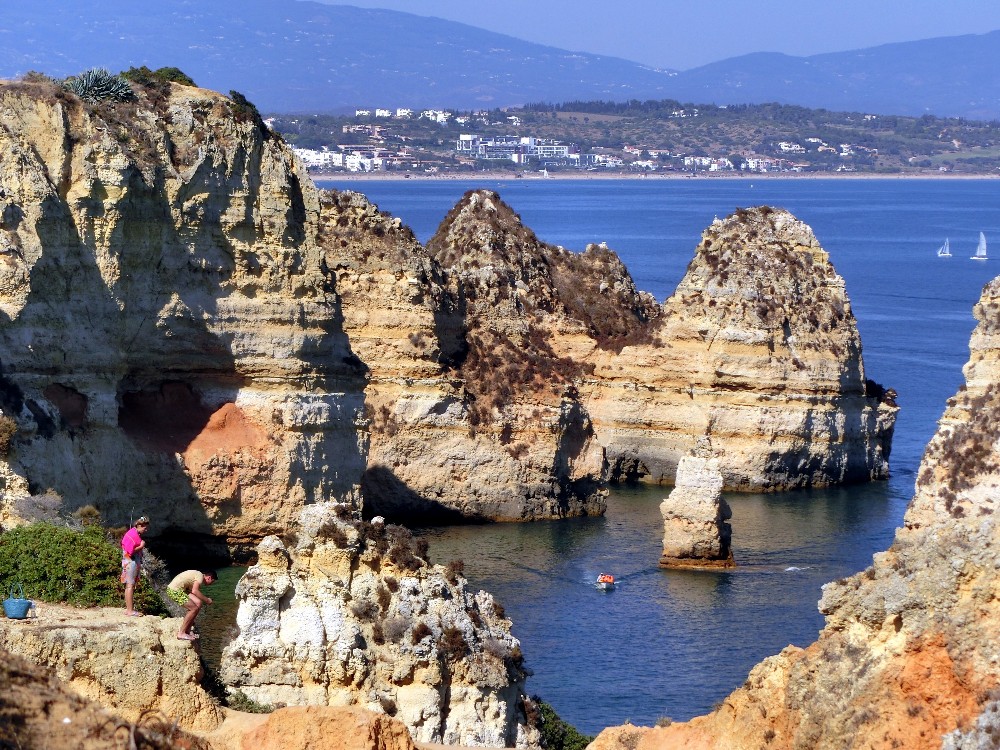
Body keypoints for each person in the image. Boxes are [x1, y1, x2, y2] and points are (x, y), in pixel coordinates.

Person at [167, 569, 217, 641]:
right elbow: (195, 591)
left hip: (181, 590)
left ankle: (188, 630)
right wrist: (207, 600)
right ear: (209, 577)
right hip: (174, 591)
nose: (211, 584)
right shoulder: (200, 576)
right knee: (193, 609)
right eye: (212, 582)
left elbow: (192, 592)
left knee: (198, 603)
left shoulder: (197, 577)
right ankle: (181, 633)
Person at [121, 516, 149, 616]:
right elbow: (130, 551)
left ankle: (129, 609)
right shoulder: (133, 535)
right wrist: (141, 546)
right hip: (130, 563)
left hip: (129, 562)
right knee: (130, 586)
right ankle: (130, 611)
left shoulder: (133, 532)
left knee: (129, 585)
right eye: (145, 528)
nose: (146, 530)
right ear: (139, 526)